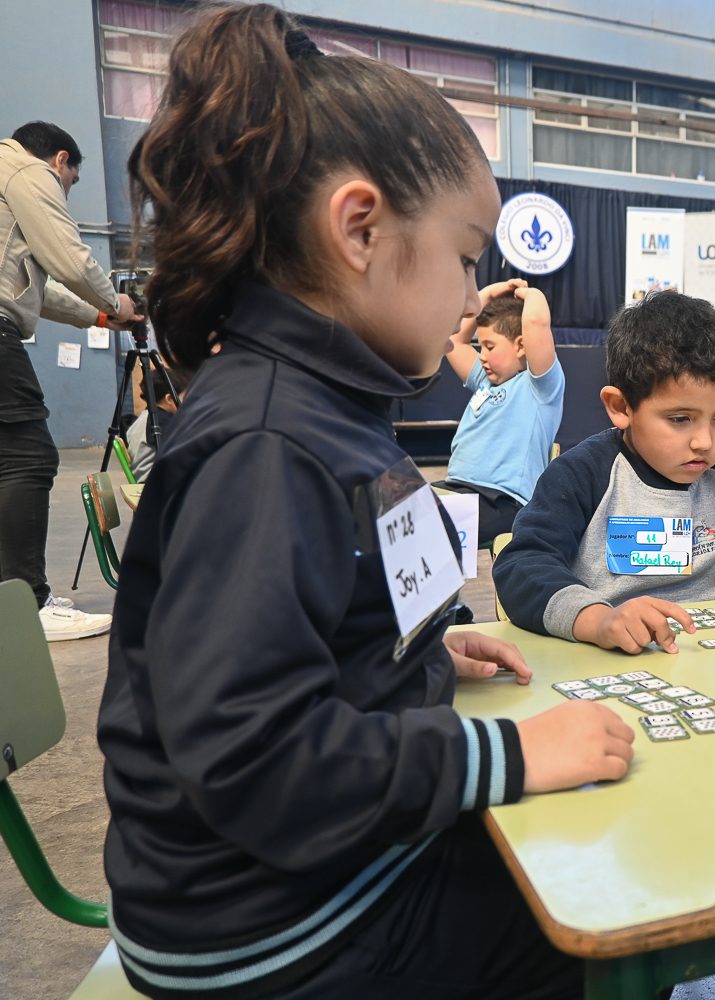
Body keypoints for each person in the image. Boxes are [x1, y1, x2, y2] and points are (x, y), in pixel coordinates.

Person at [96, 8, 636, 998]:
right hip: (271, 933)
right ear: (359, 228)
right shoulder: (269, 441)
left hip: (297, 885)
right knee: (606, 924)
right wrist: (507, 752)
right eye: (468, 257)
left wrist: (407, 653)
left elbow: (309, 622)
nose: (472, 299)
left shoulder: (326, 403)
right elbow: (256, 754)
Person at [492, 291, 715, 654]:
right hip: (606, 661)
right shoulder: (582, 475)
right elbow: (521, 567)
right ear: (620, 407)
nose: (704, 442)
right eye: (680, 419)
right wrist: (597, 620)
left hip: (703, 663)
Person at [0, 121, 140, 640]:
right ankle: (28, 606)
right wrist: (116, 301)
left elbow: (37, 288)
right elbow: (69, 257)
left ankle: (10, 597)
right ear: (60, 161)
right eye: (71, 182)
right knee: (28, 457)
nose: (64, 191)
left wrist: (100, 318)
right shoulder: (27, 170)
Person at [431, 278, 563, 546]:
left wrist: (531, 293)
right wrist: (488, 295)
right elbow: (454, 339)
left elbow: (536, 324)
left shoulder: (539, 388)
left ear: (521, 346)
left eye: (490, 347)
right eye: (480, 346)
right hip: (457, 491)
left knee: (424, 525)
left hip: (501, 502)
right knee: (397, 513)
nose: (481, 355)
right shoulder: (485, 381)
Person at [124, 365, 184, 480]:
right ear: (169, 399)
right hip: (154, 485)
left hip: (145, 481)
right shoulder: (160, 422)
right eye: (184, 396)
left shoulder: (146, 416)